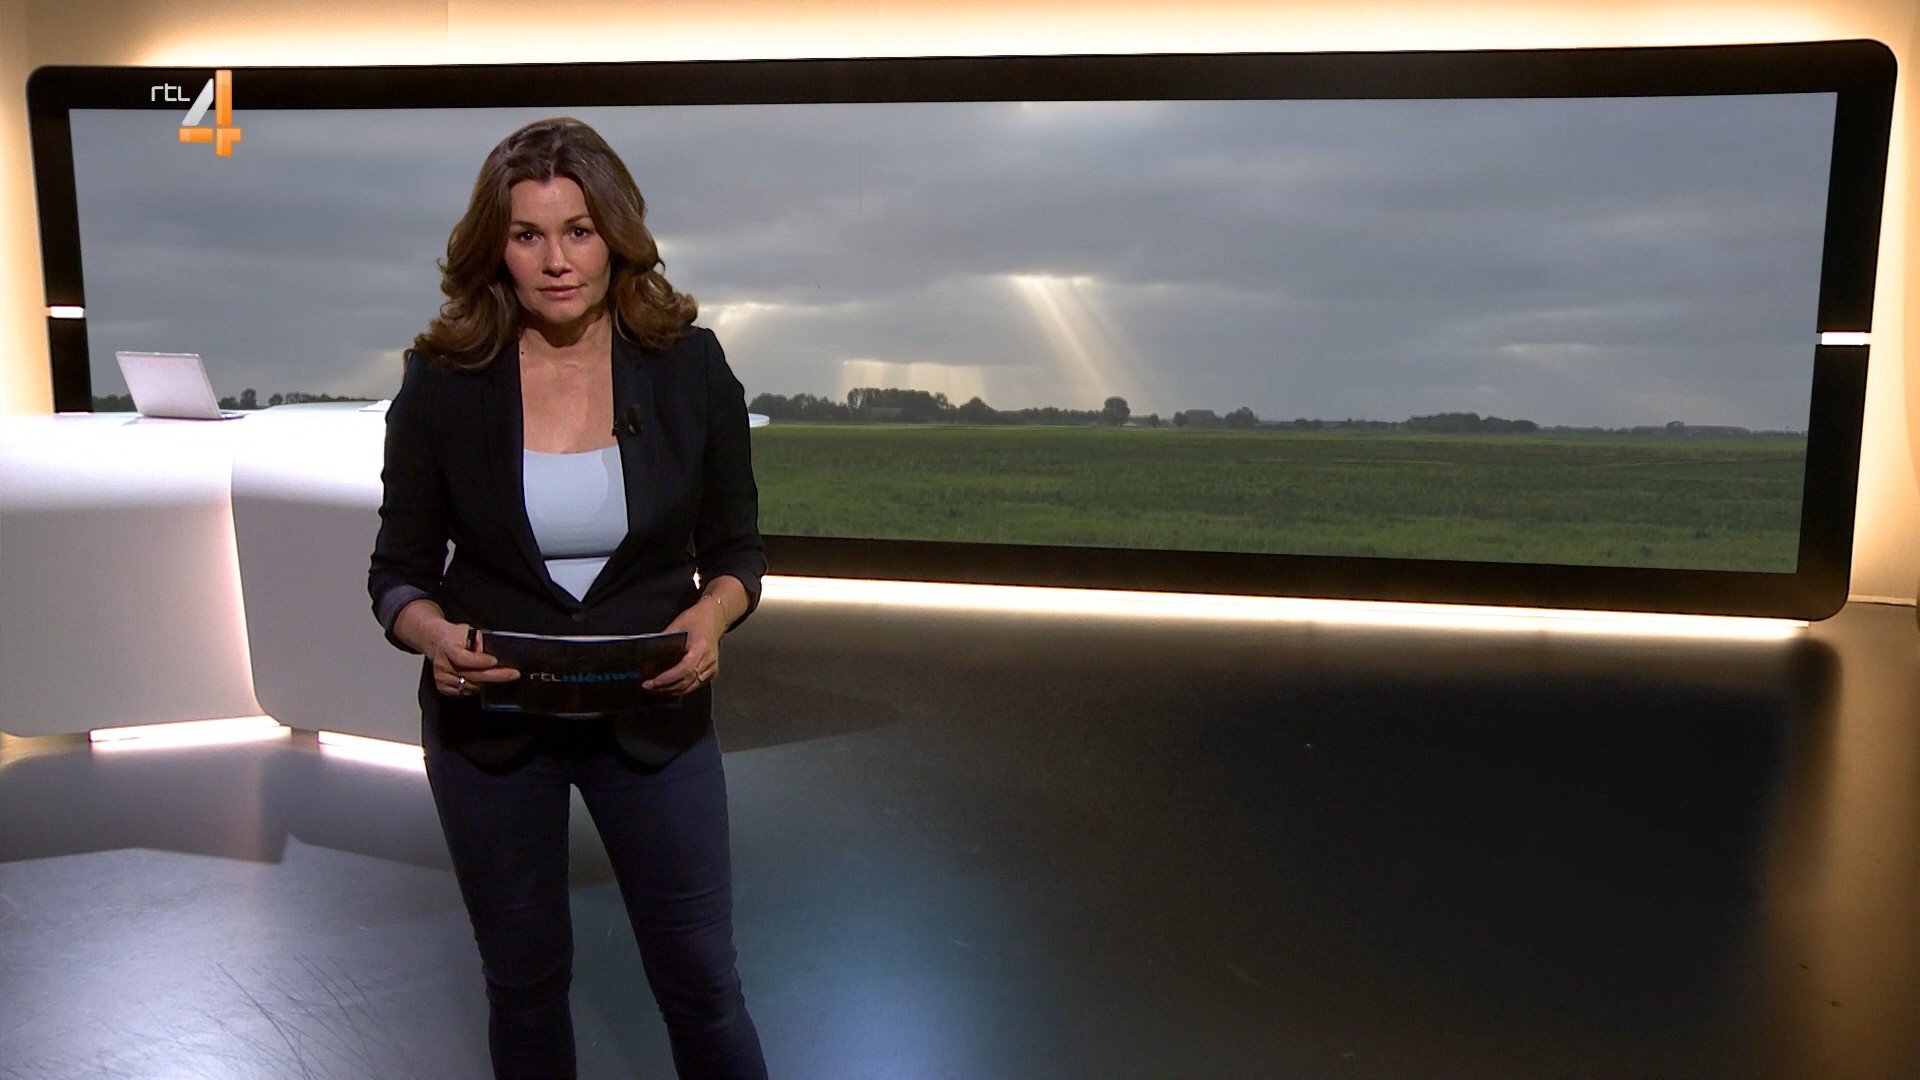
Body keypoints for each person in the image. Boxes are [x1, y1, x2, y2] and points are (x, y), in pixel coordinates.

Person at [368, 117, 769, 1079]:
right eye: (528, 235)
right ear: (494, 247)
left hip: (655, 717)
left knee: (702, 984)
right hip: (493, 730)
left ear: (615, 236)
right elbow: (396, 572)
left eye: (579, 232)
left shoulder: (690, 367)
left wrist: (711, 618)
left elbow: (738, 553)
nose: (556, 261)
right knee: (524, 983)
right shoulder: (443, 383)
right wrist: (433, 636)